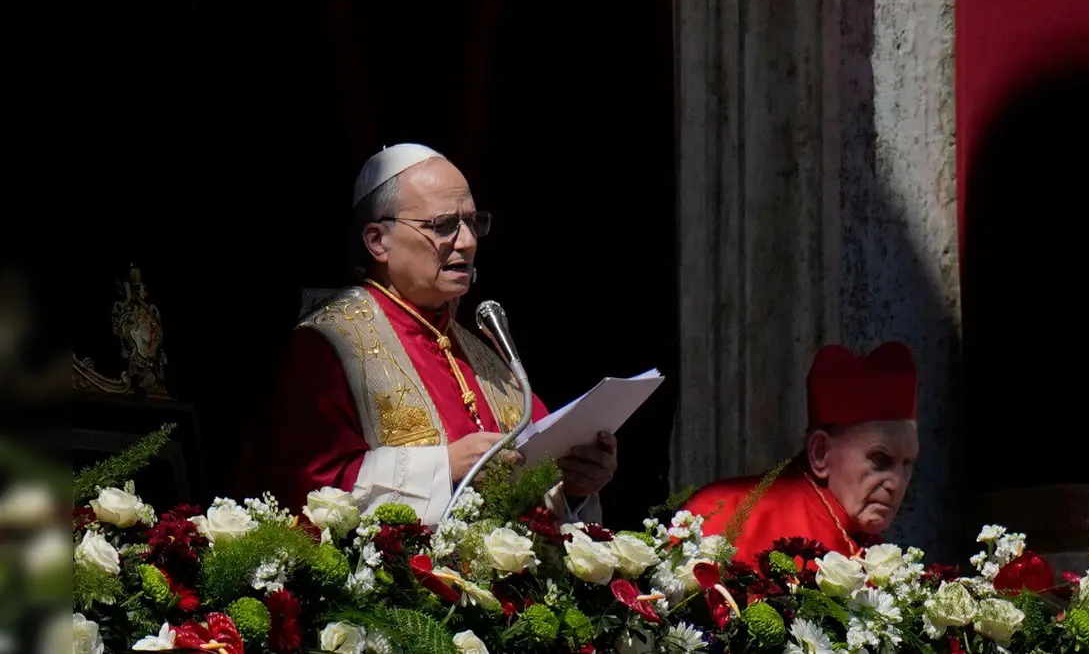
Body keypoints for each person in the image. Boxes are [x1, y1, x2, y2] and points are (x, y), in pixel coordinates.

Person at [245, 143, 617, 525]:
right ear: (378, 241)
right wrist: (445, 468)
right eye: (443, 226)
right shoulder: (327, 346)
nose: (468, 241)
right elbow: (308, 489)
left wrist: (574, 486)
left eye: (473, 222)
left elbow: (537, 475)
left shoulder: (484, 354)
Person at [681, 342, 919, 565]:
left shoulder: (881, 561)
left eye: (907, 464)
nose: (896, 484)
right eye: (880, 460)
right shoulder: (722, 514)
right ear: (820, 453)